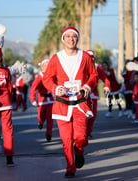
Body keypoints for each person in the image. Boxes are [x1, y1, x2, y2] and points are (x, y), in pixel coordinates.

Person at [43, 27, 98, 178]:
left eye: (74, 36)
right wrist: (55, 88)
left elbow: (94, 74)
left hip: (80, 104)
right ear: (63, 39)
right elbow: (46, 78)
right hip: (62, 105)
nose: (71, 39)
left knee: (80, 137)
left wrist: (87, 86)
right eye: (68, 36)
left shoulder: (85, 56)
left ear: (77, 39)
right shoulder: (56, 58)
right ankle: (70, 167)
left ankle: (79, 151)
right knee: (66, 140)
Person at [86, 50, 110, 138]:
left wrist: (107, 86)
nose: (90, 58)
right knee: (83, 114)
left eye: (92, 57)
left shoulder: (97, 67)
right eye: (88, 56)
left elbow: (105, 78)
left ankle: (88, 131)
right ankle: (82, 131)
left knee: (93, 114)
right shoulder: (80, 66)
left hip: (93, 94)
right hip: (82, 94)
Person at [29, 59, 54, 142]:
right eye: (45, 65)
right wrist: (33, 100)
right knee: (41, 117)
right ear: (42, 67)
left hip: (50, 100)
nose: (47, 67)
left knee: (50, 119)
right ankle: (40, 122)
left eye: (48, 65)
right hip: (41, 101)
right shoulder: (39, 77)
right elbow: (33, 88)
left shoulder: (52, 75)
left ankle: (49, 135)